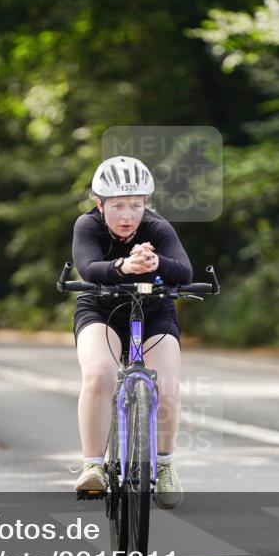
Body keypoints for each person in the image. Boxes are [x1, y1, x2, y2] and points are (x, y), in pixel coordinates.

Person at [71, 156, 193, 509]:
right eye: (119, 206)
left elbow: (184, 270)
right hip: (101, 310)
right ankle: (92, 465)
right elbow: (89, 267)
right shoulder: (87, 225)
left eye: (136, 206)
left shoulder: (157, 227)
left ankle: (165, 465)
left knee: (166, 385)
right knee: (98, 375)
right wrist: (123, 265)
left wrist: (157, 264)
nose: (128, 216)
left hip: (154, 312)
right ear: (100, 204)